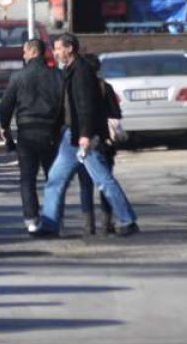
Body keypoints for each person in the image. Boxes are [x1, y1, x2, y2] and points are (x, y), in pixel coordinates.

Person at [33, 32, 139, 238]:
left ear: (69, 49)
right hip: (70, 138)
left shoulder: (82, 72)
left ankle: (127, 220)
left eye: (58, 49)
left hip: (83, 138)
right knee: (55, 179)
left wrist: (86, 135)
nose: (55, 53)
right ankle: (49, 224)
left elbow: (86, 107)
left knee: (103, 180)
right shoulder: (71, 71)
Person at [0, 38, 63, 232]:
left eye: (25, 52)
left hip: (27, 132)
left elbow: (6, 105)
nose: (23, 56)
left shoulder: (18, 76)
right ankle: (54, 217)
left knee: (27, 178)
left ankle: (31, 219)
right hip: (51, 131)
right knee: (54, 177)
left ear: (33, 52)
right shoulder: (57, 76)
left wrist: (5, 127)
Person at [76, 53, 122, 235]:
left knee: (85, 184)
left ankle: (88, 224)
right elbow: (116, 114)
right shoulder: (105, 87)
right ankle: (107, 222)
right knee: (105, 182)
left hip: (83, 140)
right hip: (104, 141)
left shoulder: (78, 87)